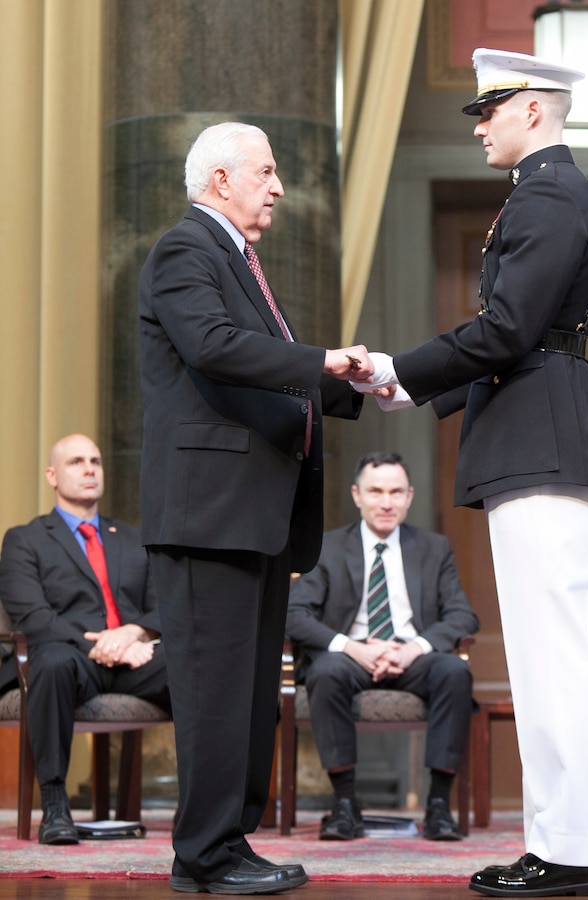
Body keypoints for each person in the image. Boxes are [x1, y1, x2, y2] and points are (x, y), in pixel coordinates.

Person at [352, 49, 588, 897]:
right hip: (541, 429)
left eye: (489, 110)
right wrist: (416, 387)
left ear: (534, 112)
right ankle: (562, 841)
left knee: (551, 656)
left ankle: (575, 849)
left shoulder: (547, 194)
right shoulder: (547, 192)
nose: (478, 125)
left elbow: (508, 329)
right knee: (546, 653)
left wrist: (403, 373)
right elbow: (522, 332)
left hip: (540, 434)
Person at [138, 121, 373, 895]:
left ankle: (228, 844)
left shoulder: (236, 259)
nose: (277, 187)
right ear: (219, 181)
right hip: (210, 515)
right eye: (266, 173)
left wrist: (357, 383)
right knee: (213, 694)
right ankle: (202, 857)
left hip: (254, 514)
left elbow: (266, 369)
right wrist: (321, 360)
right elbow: (212, 347)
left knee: (245, 697)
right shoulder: (185, 250)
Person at [286, 451, 479, 842]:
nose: (386, 502)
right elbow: (292, 613)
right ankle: (344, 803)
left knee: (455, 670)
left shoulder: (433, 548)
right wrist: (351, 648)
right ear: (357, 495)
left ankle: (439, 805)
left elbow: (463, 616)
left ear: (410, 496)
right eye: (376, 491)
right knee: (325, 669)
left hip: (412, 656)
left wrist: (414, 648)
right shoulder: (327, 547)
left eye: (395, 492)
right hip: (351, 657)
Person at [0, 433, 169, 846]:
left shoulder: (132, 539)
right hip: (70, 658)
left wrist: (131, 634)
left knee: (195, 664)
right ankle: (55, 805)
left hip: (135, 658)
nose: (90, 468)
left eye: (95, 460)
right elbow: (32, 617)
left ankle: (203, 807)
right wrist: (105, 644)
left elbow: (166, 605)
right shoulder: (25, 539)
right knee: (52, 661)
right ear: (52, 476)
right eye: (77, 461)